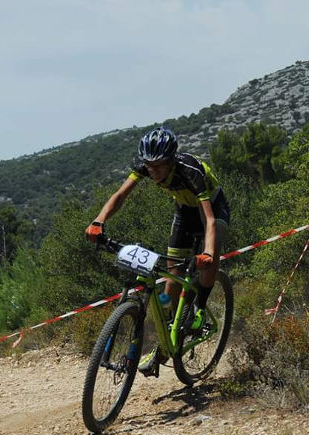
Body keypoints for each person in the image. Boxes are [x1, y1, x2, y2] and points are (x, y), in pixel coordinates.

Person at [85, 126, 229, 375]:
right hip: (184, 211)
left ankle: (199, 309)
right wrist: (99, 221)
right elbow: (120, 195)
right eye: (149, 166)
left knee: (210, 256)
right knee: (172, 276)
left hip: (212, 208)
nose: (154, 172)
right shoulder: (145, 166)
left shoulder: (190, 171)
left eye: (159, 166)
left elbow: (208, 218)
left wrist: (207, 251)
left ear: (171, 161)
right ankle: (167, 341)